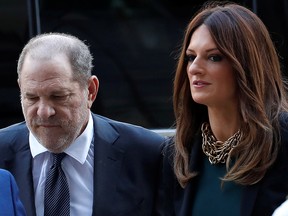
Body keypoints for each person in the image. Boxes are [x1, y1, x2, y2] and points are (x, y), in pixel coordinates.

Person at [0, 32, 166, 216]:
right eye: (31, 97)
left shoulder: (148, 154)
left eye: (58, 97)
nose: (44, 112)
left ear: (91, 91)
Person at [160, 1, 288, 216]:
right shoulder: (179, 151)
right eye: (191, 57)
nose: (194, 68)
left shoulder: (282, 139)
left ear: (245, 65)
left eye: (214, 57)